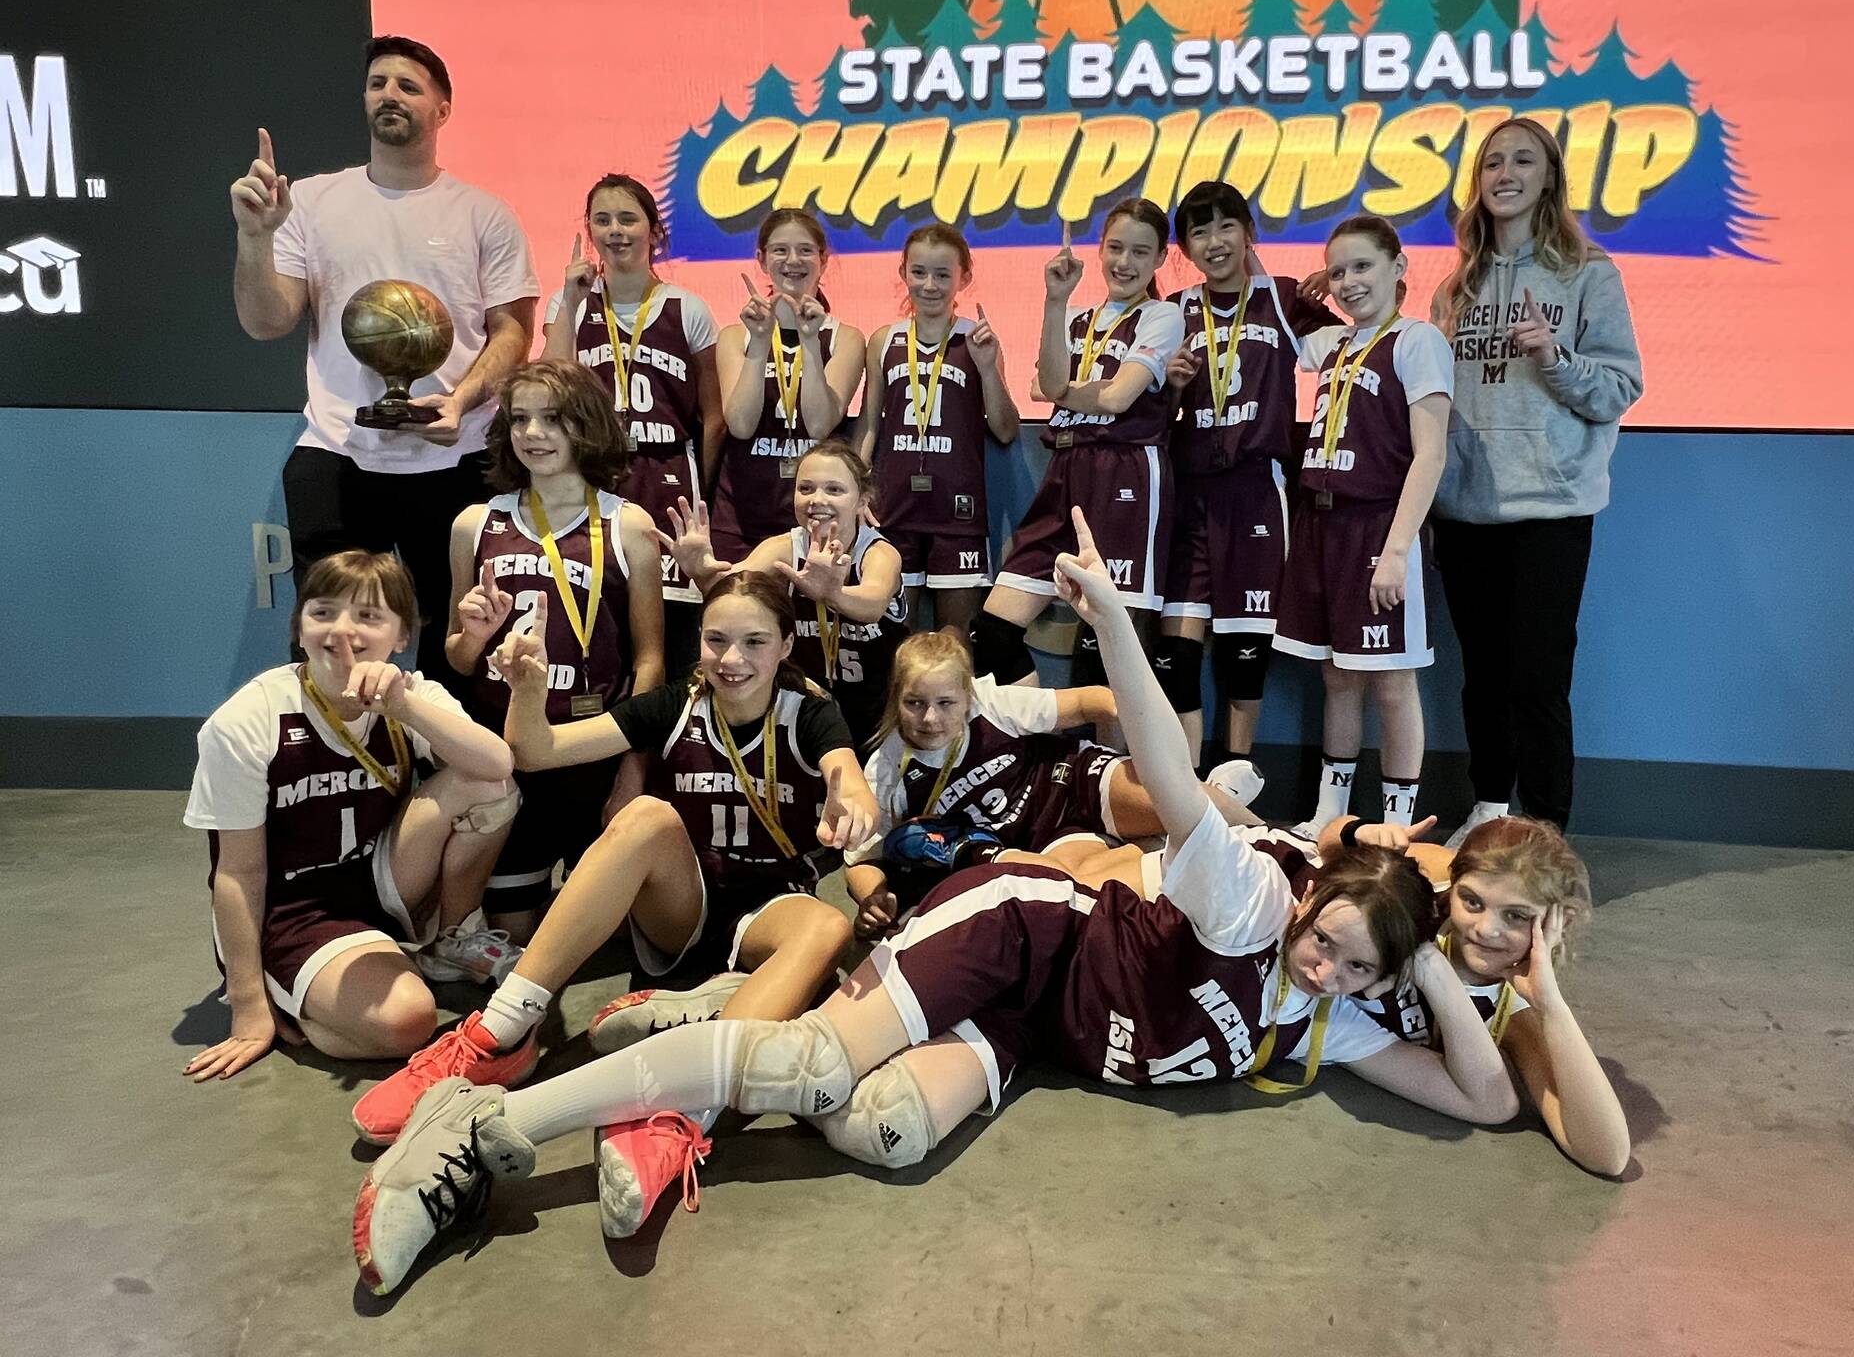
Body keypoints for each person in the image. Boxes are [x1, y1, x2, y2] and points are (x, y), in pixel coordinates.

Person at [351, 509, 1516, 1296]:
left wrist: (1423, 965)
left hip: (1035, 1030)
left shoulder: (1330, 1018)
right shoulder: (1252, 906)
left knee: (880, 1130)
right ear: (1304, 908)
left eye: (1353, 970)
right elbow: (1168, 772)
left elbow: (1485, 1098)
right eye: (1326, 945)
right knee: (810, 1066)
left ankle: (697, 1029)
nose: (1321, 973)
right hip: (1024, 927)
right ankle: (488, 1125)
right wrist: (1112, 624)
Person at [346, 572, 877, 1175]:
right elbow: (537, 751)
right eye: (716, 640)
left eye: (755, 642)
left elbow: (846, 775)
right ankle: (498, 1033)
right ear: (699, 641)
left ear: (785, 645)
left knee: (829, 927)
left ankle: (684, 1109)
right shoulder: (676, 704)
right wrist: (527, 688)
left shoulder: (810, 714)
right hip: (684, 904)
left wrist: (855, 803)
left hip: (768, 912)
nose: (732, 659)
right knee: (646, 816)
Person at [228, 35, 539, 685]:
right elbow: (266, 320)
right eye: (378, 84)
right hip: (337, 454)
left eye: (408, 86)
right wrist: (255, 237)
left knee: (462, 646)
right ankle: (337, 747)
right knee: (332, 644)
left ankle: (445, 752)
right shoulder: (310, 202)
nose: (389, 95)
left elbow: (513, 333)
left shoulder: (483, 214)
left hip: (456, 458)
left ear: (443, 109)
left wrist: (461, 403)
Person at [182, 551, 520, 1085]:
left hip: (378, 878)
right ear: (299, 628)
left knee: (487, 785)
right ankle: (293, 997)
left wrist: (402, 707)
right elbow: (237, 872)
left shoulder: (411, 695)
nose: (343, 629)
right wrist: (248, 1006)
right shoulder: (249, 719)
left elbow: (498, 765)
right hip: (293, 910)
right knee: (408, 1020)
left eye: (368, 615)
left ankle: (450, 941)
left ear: (401, 635)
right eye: (323, 612)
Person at [1428, 117, 1644, 843]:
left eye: (1523, 161)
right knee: (1483, 679)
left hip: (1551, 510)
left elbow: (1619, 388)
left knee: (1538, 681)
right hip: (1465, 512)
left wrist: (1555, 358)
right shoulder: (1455, 287)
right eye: (1493, 163)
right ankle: (1490, 809)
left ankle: (1547, 833)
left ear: (1550, 177)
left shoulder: (1589, 273)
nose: (1506, 174)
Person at [444, 359, 666, 940]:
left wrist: (632, 768)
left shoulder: (629, 525)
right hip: (508, 753)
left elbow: (649, 660)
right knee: (516, 935)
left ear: (586, 424)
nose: (533, 433)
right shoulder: (475, 523)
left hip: (593, 748)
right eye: (520, 419)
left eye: (552, 418)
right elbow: (457, 657)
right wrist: (474, 635)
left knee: (607, 932)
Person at [846, 631, 1261, 935]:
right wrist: (872, 898)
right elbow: (863, 860)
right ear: (896, 698)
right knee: (1079, 895)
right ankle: (1158, 837)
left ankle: (1274, 838)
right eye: (915, 703)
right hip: (1034, 843)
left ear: (967, 697)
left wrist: (1140, 730)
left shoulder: (992, 702)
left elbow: (1087, 701)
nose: (930, 718)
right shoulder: (885, 770)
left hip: (1073, 780)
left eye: (945, 703)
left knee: (1178, 800)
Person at [1155, 182, 1342, 779]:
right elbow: (1151, 411)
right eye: (1199, 231)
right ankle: (1186, 787)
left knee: (1244, 656)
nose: (1214, 242)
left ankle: (1236, 782)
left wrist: (1335, 281)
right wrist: (1174, 387)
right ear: (1185, 247)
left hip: (1257, 492)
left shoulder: (1282, 298)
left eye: (1226, 226)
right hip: (1190, 495)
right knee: (1175, 657)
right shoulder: (1174, 311)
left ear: (1249, 233)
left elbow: (1351, 348)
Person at [1273, 215, 1452, 833]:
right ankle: (1332, 814)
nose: (1349, 281)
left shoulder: (1418, 341)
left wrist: (1397, 551)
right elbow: (1279, 306)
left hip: (1379, 526)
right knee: (1338, 675)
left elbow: (1430, 455)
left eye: (1363, 266)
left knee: (1393, 682)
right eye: (1339, 271)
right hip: (1321, 525)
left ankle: (1398, 823)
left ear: (1399, 267)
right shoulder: (1334, 343)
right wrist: (1314, 285)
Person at [972, 202, 1182, 695]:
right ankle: (1036, 736)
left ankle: (1113, 747)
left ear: (1160, 258)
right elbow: (1044, 385)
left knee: (1104, 647)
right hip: (1063, 469)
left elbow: (1116, 398)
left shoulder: (1163, 316)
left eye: (1140, 252)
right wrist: (1055, 299)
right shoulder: (1075, 318)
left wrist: (1064, 389)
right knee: (993, 631)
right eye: (1115, 248)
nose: (1124, 262)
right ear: (1100, 249)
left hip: (1125, 473)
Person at [1363, 818, 1631, 1176]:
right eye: (1472, 902)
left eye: (1516, 916)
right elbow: (1323, 843)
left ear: (1558, 921)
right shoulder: (1428, 883)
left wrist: (1551, 1007)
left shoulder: (1513, 1013)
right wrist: (1360, 832)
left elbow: (1607, 1156)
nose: (1487, 929)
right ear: (1454, 885)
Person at [543, 173, 725, 676]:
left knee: (670, 623)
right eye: (602, 220)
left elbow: (714, 415)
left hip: (666, 476)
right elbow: (549, 387)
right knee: (596, 609)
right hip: (593, 475)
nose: (615, 231)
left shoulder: (687, 307)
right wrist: (571, 300)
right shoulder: (568, 302)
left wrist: (702, 484)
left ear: (654, 230)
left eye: (627, 218)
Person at [666, 440, 907, 752]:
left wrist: (832, 593)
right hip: (806, 707)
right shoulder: (782, 547)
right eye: (805, 488)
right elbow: (727, 592)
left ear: (863, 500)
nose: (817, 499)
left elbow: (872, 603)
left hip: (877, 709)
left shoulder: (878, 552)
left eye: (834, 489)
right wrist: (699, 571)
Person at [853, 223, 1020, 641]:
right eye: (919, 272)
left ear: (964, 277)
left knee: (954, 636)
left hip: (957, 511)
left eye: (943, 274)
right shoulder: (883, 340)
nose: (930, 285)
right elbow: (869, 423)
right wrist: (856, 491)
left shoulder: (977, 339)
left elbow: (1005, 429)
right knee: (893, 633)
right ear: (903, 272)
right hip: (894, 508)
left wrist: (987, 368)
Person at [708, 209, 865, 560]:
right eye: (780, 250)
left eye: (805, 250)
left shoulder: (845, 338)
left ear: (823, 260)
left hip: (816, 517)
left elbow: (820, 424)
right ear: (761, 259)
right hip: (741, 516)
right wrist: (760, 342)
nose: (793, 261)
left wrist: (810, 342)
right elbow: (741, 424)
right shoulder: (736, 336)